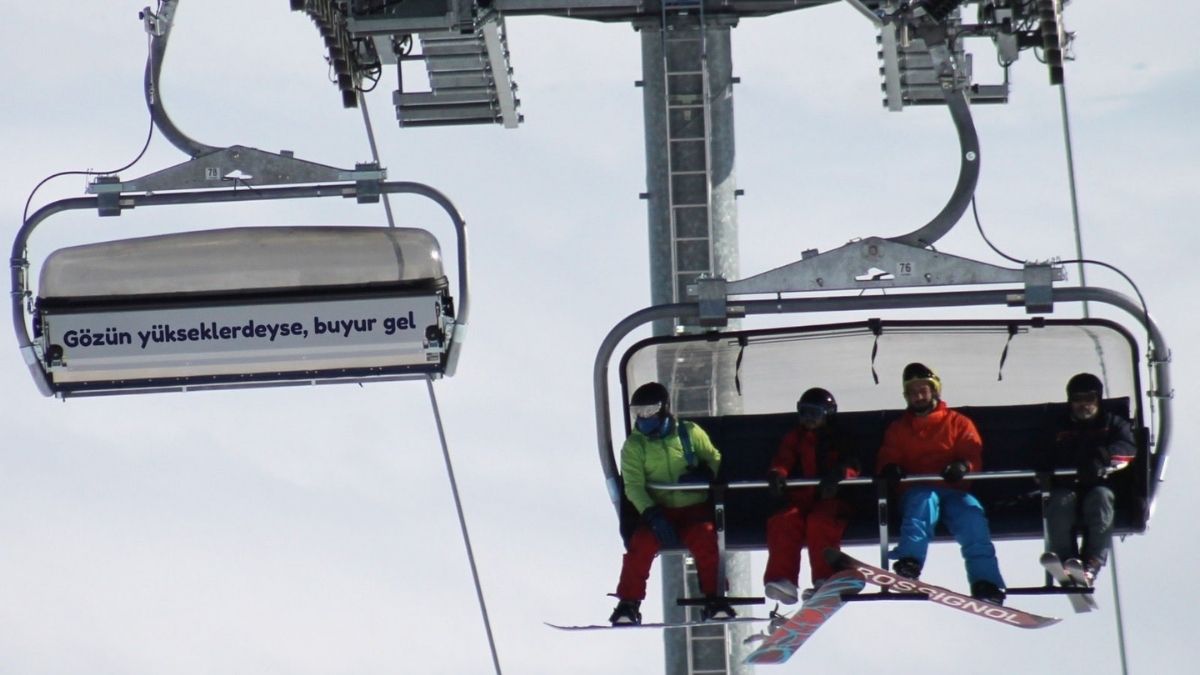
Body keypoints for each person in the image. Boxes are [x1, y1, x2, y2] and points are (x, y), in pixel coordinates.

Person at [875, 362, 1007, 604]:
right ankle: (910, 561)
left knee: (971, 516)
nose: (918, 396)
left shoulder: (957, 422)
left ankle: (985, 582)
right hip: (916, 491)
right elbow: (888, 455)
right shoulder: (899, 429)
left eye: (922, 390)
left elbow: (972, 452)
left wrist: (963, 466)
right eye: (912, 392)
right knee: (923, 502)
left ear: (934, 391)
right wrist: (891, 468)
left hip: (953, 491)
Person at [609, 382, 735, 625]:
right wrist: (651, 513)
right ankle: (628, 603)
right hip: (659, 510)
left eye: (649, 411)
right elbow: (633, 486)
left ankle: (716, 597)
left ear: (664, 409)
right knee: (641, 544)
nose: (643, 418)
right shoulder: (635, 446)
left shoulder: (689, 433)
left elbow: (714, 458)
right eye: (637, 412)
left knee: (706, 538)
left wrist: (706, 473)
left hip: (693, 508)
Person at [762, 387, 860, 605]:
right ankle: (783, 579)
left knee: (820, 522)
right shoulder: (795, 438)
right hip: (801, 499)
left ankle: (825, 578)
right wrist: (778, 474)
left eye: (814, 413)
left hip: (832, 499)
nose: (808, 419)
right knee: (784, 520)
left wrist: (839, 475)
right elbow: (784, 458)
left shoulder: (839, 438)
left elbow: (853, 464)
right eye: (804, 412)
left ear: (828, 414)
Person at [1037, 373, 1136, 586]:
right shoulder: (1058, 426)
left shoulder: (1112, 423)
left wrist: (1104, 457)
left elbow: (1127, 449)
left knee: (1101, 500)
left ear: (1098, 399)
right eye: (1077, 399)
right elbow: (1042, 451)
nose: (1084, 405)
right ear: (1070, 401)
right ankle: (1066, 560)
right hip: (1067, 485)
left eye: (1089, 399)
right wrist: (1045, 470)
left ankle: (1092, 562)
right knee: (1059, 502)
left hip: (1099, 484)